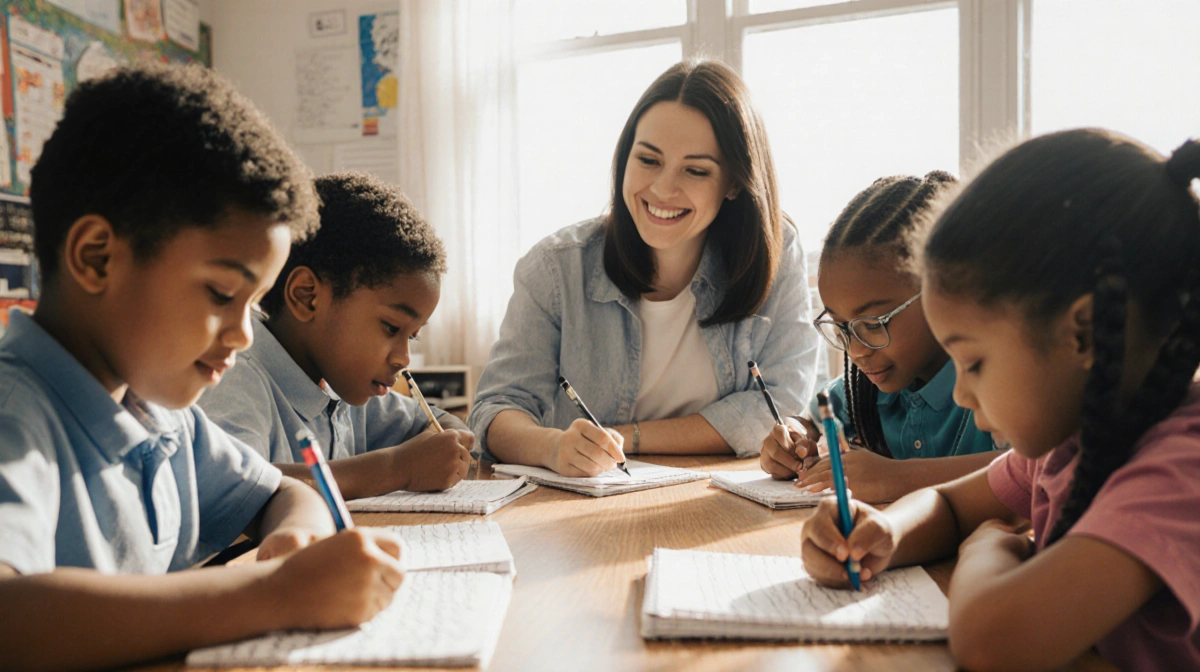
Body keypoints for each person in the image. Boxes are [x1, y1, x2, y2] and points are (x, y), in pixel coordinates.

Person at [0, 65, 403, 671]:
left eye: (252, 303)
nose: (243, 334)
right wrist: (276, 595)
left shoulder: (161, 415)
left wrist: (294, 540)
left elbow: (285, 493)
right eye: (221, 294)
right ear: (96, 257)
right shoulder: (16, 416)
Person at [799, 129, 1200, 671]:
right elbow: (947, 504)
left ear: (1080, 334)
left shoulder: (1177, 474)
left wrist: (989, 549)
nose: (962, 391)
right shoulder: (1073, 441)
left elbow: (990, 642)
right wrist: (883, 533)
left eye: (974, 362)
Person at [468, 59, 819, 476]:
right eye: (648, 160)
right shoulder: (555, 268)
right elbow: (496, 410)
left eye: (695, 170)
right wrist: (554, 446)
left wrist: (627, 436)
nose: (663, 189)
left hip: (720, 497)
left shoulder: (775, 251)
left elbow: (780, 406)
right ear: (624, 158)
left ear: (735, 182)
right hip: (581, 509)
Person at [200, 172, 474, 498]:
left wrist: (453, 440)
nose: (403, 358)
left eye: (411, 337)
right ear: (307, 297)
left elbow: (432, 422)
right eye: (391, 328)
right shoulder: (233, 372)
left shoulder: (342, 385)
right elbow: (232, 484)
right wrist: (397, 469)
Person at [759, 172, 998, 503]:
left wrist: (900, 479)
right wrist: (792, 440)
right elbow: (808, 423)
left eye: (872, 324)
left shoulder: (998, 383)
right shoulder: (863, 390)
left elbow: (1032, 471)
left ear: (941, 290)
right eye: (842, 327)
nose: (856, 350)